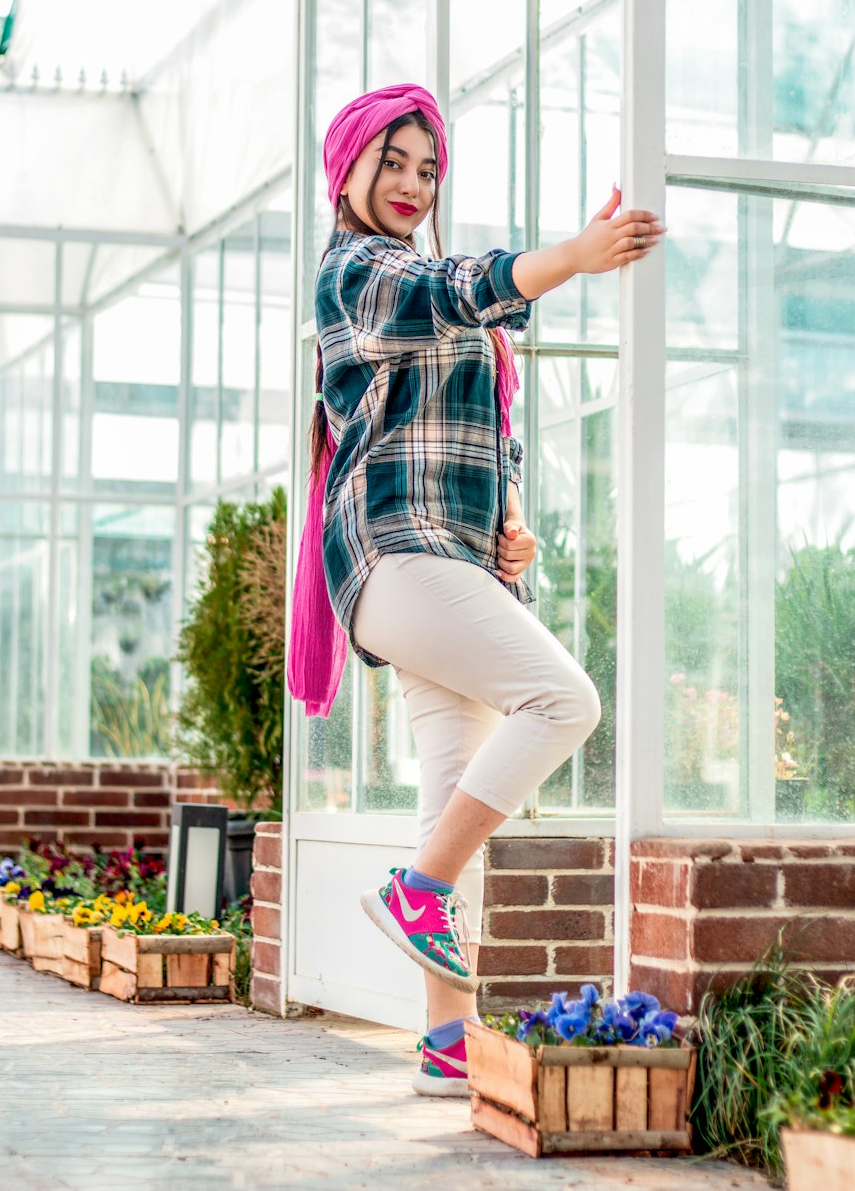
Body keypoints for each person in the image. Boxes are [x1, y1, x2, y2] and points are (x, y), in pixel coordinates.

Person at [287, 83, 666, 1097]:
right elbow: (463, 288)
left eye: (428, 168)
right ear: (348, 170)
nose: (411, 183)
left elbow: (478, 439)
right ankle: (417, 892)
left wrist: (509, 532)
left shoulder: (409, 270)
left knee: (450, 786)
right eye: (393, 162)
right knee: (565, 701)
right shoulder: (355, 273)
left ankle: (446, 1042)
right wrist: (574, 258)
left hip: (444, 557)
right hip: (389, 552)